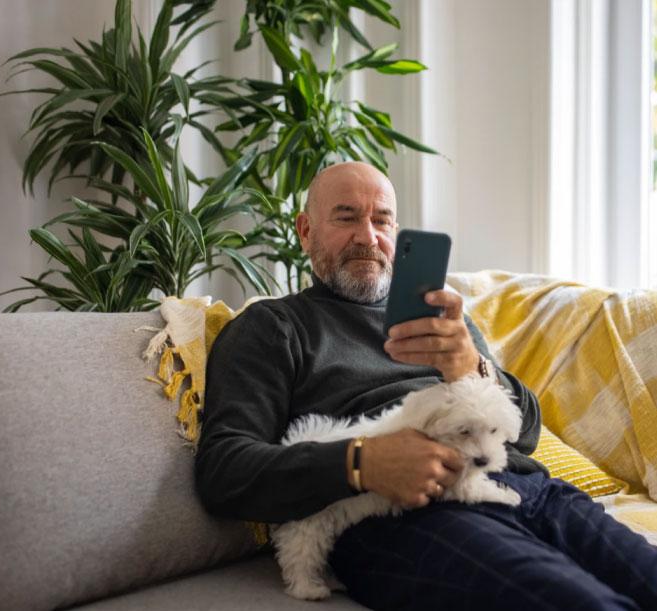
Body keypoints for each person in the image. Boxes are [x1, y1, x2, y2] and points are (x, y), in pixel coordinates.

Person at [195, 161, 657, 610]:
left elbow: (527, 433)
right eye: (346, 217)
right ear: (305, 231)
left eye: (382, 220)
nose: (368, 237)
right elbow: (223, 470)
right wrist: (360, 462)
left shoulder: (443, 321)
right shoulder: (274, 327)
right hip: (400, 515)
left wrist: (474, 367)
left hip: (530, 493)